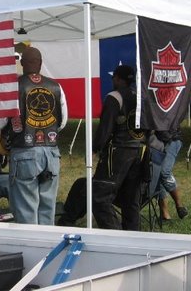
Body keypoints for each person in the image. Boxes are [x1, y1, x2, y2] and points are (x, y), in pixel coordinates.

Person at [58, 65, 147, 230]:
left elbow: (105, 129)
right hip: (137, 152)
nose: (113, 80)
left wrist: (95, 148)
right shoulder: (139, 97)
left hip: (116, 154)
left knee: (99, 196)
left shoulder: (114, 98)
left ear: (119, 79)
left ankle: (114, 234)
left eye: (115, 77)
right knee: (130, 200)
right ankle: (133, 234)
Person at [0, 46, 68, 225]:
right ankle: (48, 247)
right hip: (51, 153)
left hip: (24, 153)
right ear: (40, 64)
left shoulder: (12, 88)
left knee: (26, 211)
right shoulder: (56, 87)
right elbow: (62, 122)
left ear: (22, 63)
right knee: (47, 209)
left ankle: (31, 249)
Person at [152, 128, 188, 221]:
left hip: (172, 139)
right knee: (157, 173)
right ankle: (165, 215)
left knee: (164, 172)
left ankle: (179, 206)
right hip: (155, 140)